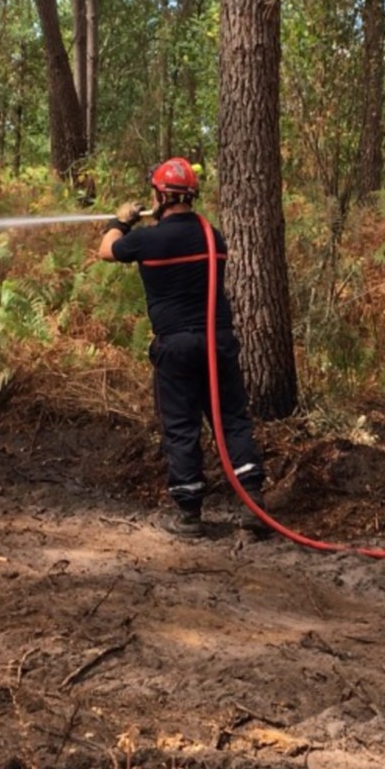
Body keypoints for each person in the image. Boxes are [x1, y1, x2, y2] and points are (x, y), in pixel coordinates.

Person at [96, 158, 268, 538]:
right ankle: (253, 505)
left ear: (159, 196)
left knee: (181, 426)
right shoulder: (212, 237)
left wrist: (121, 221)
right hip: (217, 342)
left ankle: (190, 514)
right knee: (232, 419)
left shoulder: (147, 239)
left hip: (175, 347)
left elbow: (107, 251)